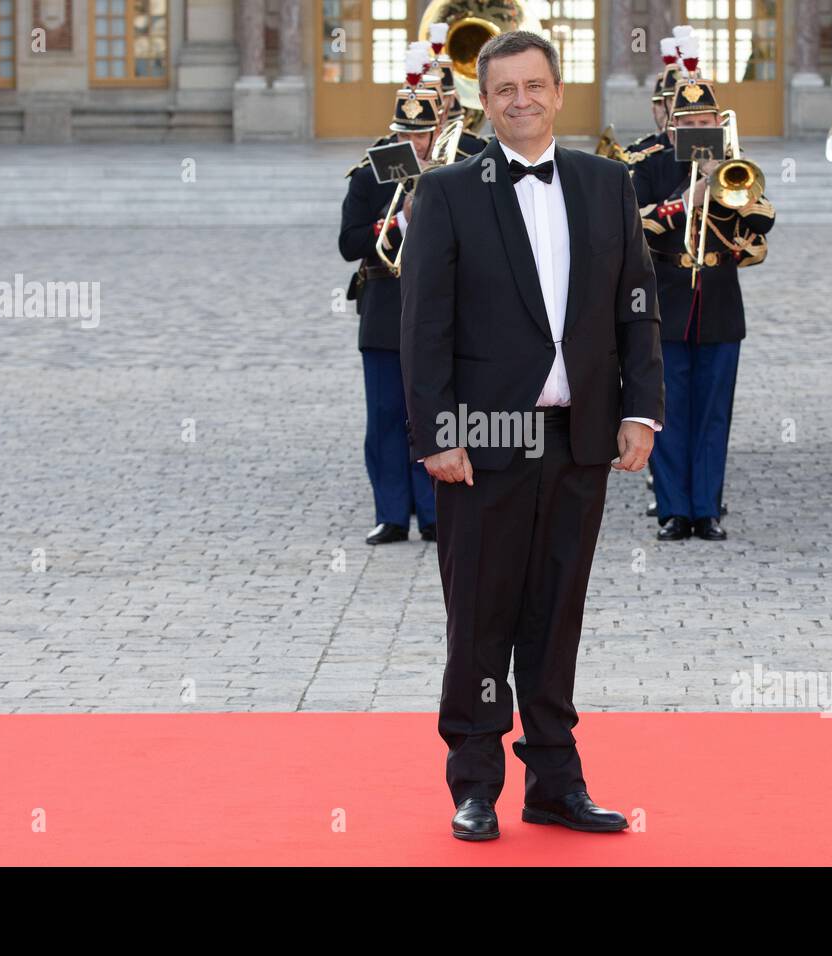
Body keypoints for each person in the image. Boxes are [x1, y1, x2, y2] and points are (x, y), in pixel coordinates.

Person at [400, 31, 665, 841]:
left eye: (535, 85)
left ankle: (556, 781)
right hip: (481, 445)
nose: (521, 100)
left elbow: (636, 305)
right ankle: (474, 783)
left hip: (581, 439)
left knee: (557, 619)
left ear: (558, 92)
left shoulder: (605, 183)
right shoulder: (446, 192)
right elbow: (422, 329)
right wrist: (438, 432)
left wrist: (640, 410)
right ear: (486, 100)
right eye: (504, 88)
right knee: (480, 620)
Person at [631, 61, 774, 542]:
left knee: (714, 414)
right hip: (666, 302)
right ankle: (673, 509)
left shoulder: (735, 165)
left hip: (718, 304)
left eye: (703, 123)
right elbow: (636, 227)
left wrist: (723, 186)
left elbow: (764, 221)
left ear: (717, 125)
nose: (695, 130)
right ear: (672, 125)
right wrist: (689, 196)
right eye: (686, 123)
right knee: (668, 413)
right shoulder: (648, 166)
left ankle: (706, 508)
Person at [338, 71, 441, 545]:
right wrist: (398, 218)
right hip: (382, 305)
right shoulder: (367, 175)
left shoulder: (449, 176)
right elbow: (348, 243)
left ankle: (434, 511)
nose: (415, 144)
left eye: (422, 134)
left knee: (429, 412)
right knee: (384, 415)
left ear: (436, 132)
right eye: (406, 134)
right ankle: (392, 514)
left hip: (434, 308)